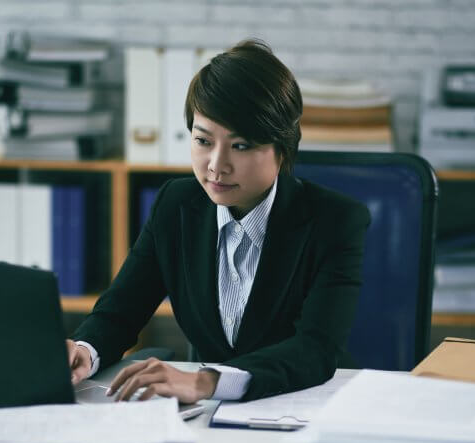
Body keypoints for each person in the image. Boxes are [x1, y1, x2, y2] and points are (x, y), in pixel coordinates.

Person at [66, 39, 370, 403]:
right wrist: (86, 350)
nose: (216, 164)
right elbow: (120, 313)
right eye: (203, 141)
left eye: (240, 146)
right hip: (208, 419)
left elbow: (316, 349)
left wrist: (206, 382)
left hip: (303, 406)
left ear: (282, 148)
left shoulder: (334, 221)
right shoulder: (175, 205)